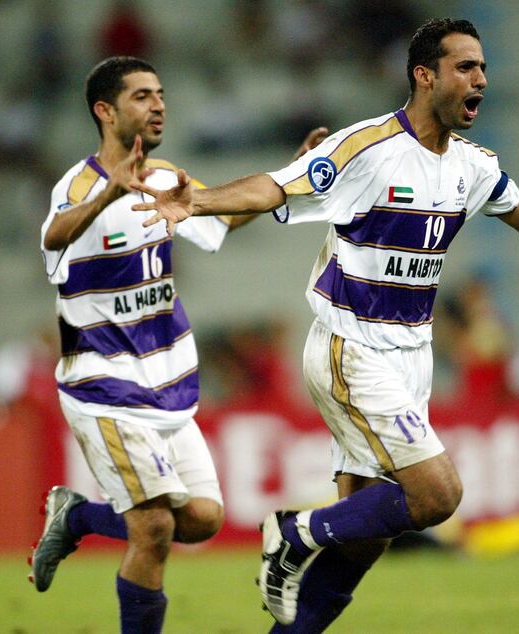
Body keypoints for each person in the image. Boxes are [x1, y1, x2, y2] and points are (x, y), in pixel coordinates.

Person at [131, 18, 519, 632]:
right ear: (424, 76)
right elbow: (275, 186)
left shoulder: (474, 165)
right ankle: (293, 531)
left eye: (483, 67)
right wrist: (199, 200)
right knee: (437, 496)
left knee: (365, 538)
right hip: (352, 347)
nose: (481, 78)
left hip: (411, 355)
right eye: (465, 67)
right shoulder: (369, 148)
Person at [32, 56, 326, 634]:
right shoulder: (80, 184)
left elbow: (215, 220)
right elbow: (53, 236)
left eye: (160, 93)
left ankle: (78, 516)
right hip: (103, 382)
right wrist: (106, 198)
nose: (159, 104)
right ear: (105, 110)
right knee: (155, 530)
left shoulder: (165, 177)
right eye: (142, 96)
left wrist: (287, 174)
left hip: (165, 380)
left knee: (203, 520)